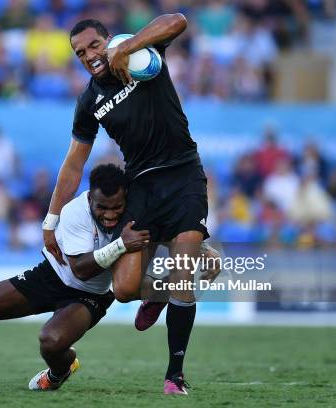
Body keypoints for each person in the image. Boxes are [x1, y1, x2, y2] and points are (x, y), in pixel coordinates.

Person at [42, 15, 210, 394]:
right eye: (80, 53)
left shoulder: (143, 56)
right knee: (124, 288)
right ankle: (160, 293)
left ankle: (174, 376)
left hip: (183, 177)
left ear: (107, 40)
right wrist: (51, 218)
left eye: (94, 46)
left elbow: (177, 21)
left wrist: (129, 46)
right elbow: (74, 163)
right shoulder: (89, 102)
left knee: (184, 274)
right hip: (141, 187)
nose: (89, 56)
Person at [0, 164, 151, 391]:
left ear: (125, 199)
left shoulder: (134, 215)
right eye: (102, 207)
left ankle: (60, 372)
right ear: (90, 198)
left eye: (116, 207)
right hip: (50, 276)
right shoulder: (74, 211)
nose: (110, 215)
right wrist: (120, 245)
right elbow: (81, 268)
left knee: (51, 342)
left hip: (90, 296)